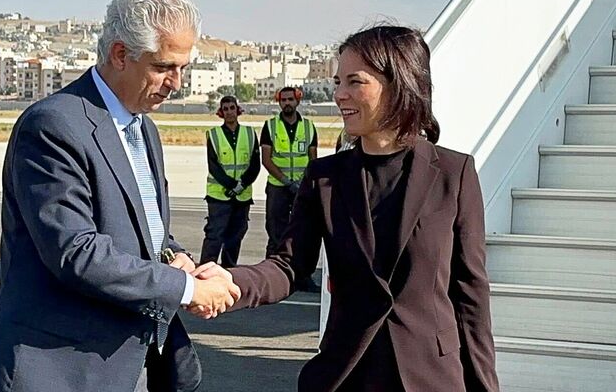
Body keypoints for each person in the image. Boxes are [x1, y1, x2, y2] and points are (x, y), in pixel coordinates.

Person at [194, 25, 499, 391]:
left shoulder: (454, 174)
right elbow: (289, 264)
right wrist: (234, 280)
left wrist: (485, 386)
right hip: (347, 374)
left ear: (399, 83)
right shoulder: (325, 178)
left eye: (355, 82)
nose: (339, 95)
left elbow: (471, 299)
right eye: (338, 82)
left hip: (430, 378)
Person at [0, 0, 239, 391]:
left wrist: (177, 257)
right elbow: (76, 252)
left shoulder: (142, 127)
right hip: (58, 371)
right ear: (119, 54)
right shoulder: (54, 126)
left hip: (129, 365)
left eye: (183, 67)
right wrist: (187, 290)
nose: (176, 83)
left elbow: (142, 229)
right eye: (164, 67)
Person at [260, 86, 320, 292]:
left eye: (290, 99)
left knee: (303, 230)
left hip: (302, 187)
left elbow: (313, 159)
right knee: (275, 230)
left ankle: (302, 275)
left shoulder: (309, 127)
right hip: (279, 187)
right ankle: (271, 276)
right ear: (279, 102)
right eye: (283, 100)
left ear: (297, 101)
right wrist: (286, 181)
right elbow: (266, 160)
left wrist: (305, 183)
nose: (287, 103)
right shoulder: (270, 126)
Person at [199, 95, 261, 268]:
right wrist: (231, 185)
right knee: (215, 235)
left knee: (236, 235)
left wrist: (241, 185)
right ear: (221, 112)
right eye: (225, 109)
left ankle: (229, 269)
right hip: (219, 196)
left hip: (242, 196)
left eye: (232, 108)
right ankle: (205, 270)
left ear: (238, 110)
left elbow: (255, 164)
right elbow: (214, 166)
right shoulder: (214, 134)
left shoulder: (249, 134)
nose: (229, 112)